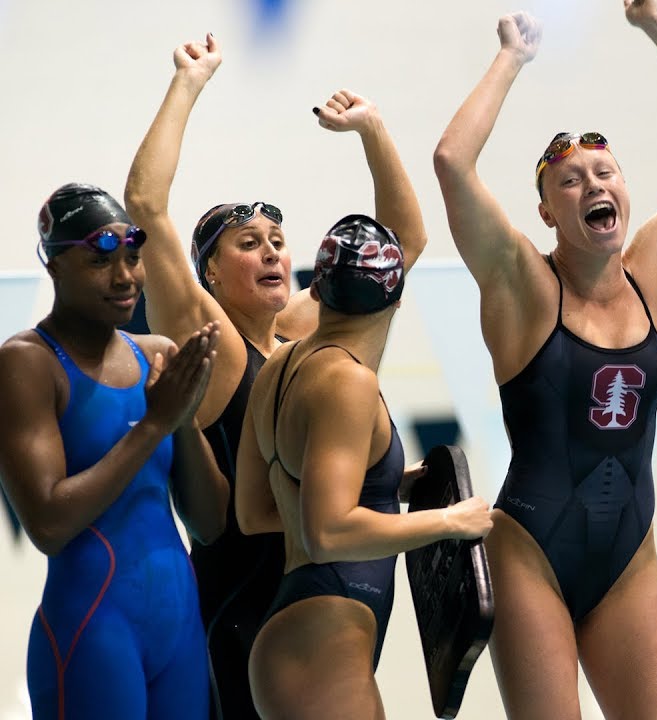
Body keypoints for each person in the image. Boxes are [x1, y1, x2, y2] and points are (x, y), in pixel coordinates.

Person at [432, 2, 657, 715]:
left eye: (604, 171)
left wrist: (656, 25)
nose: (593, 186)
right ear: (547, 213)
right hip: (531, 556)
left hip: (628, 557)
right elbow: (453, 162)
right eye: (571, 181)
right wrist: (512, 58)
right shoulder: (522, 283)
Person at [123, 34, 428, 718]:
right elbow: (144, 202)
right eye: (247, 243)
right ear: (208, 273)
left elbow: (399, 247)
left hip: (321, 600)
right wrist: (189, 84)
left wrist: (373, 132)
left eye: (278, 242)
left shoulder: (297, 336)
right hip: (247, 603)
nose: (271, 253)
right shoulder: (217, 344)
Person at [235, 214, 494, 719]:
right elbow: (327, 532)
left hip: (299, 633)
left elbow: (254, 511)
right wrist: (449, 521)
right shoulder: (348, 381)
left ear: (319, 288)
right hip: (322, 646)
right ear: (396, 300)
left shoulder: (277, 369)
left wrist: (385, 488)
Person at [0, 184, 226, 718]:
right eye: (100, 261)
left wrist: (182, 418)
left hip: (179, 630)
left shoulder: (158, 356)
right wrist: (152, 425)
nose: (125, 277)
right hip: (92, 632)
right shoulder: (28, 364)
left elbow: (212, 523)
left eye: (132, 258)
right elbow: (49, 525)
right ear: (54, 268)